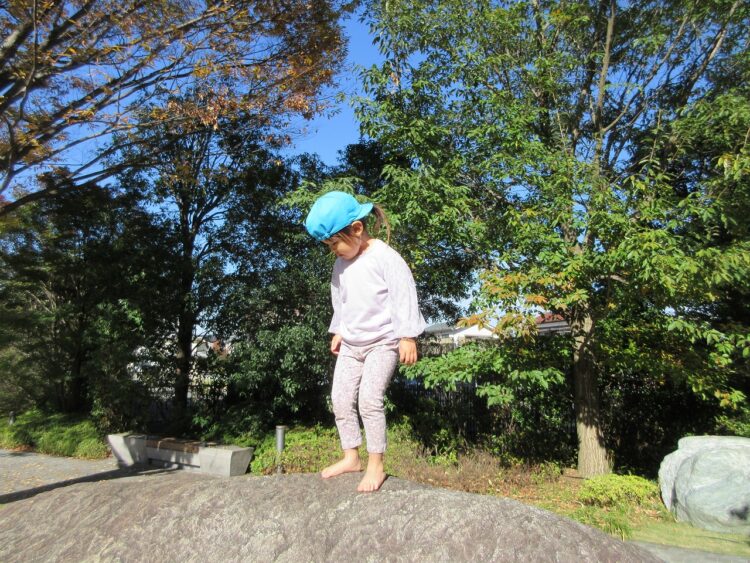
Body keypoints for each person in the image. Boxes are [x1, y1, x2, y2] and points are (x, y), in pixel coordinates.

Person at [304, 191, 426, 492]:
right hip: (352, 344)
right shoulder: (341, 264)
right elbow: (341, 299)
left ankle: (376, 464)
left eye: (335, 243)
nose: (333, 251)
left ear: (357, 229)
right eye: (328, 246)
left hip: (382, 343)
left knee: (369, 400)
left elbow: (403, 293)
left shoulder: (384, 257)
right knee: (340, 399)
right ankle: (351, 457)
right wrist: (339, 330)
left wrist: (407, 335)